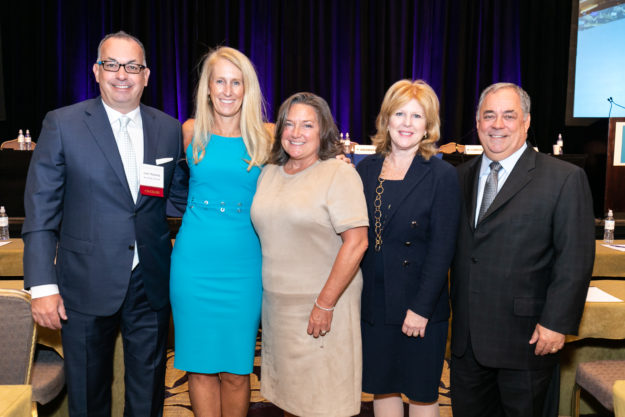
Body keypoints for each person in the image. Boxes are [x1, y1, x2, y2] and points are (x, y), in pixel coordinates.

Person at [22, 31, 182, 416]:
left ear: (146, 75)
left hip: (150, 282)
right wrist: (42, 286)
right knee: (88, 395)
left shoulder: (168, 128)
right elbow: (41, 210)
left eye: (133, 66)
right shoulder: (63, 124)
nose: (122, 74)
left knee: (148, 394)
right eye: (112, 64)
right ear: (96, 71)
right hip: (85, 283)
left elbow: (175, 198)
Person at [449, 82, 595, 417]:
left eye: (508, 116)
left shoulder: (563, 178)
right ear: (477, 122)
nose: (497, 125)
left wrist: (556, 323)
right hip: (467, 342)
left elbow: (574, 260)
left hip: (527, 341)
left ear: (526, 122)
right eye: (489, 115)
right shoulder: (458, 177)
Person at [250, 92, 369, 417]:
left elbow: (357, 243)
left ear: (323, 130)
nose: (296, 133)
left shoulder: (338, 173)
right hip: (279, 310)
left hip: (323, 308)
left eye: (307, 125)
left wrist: (324, 304)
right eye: (289, 124)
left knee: (323, 402)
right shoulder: (269, 173)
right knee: (290, 400)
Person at [169, 47, 272, 417]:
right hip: (193, 264)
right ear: (208, 88)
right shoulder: (189, 131)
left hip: (244, 266)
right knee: (198, 368)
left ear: (247, 88)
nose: (228, 91)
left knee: (236, 370)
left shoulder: (267, 136)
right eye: (220, 82)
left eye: (236, 82)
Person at [356, 79, 460, 417]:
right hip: (375, 302)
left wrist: (421, 309)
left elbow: (443, 249)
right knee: (382, 386)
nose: (407, 123)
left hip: (419, 305)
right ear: (386, 119)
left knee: (421, 393)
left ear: (428, 126)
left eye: (417, 116)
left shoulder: (442, 175)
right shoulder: (366, 169)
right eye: (399, 114)